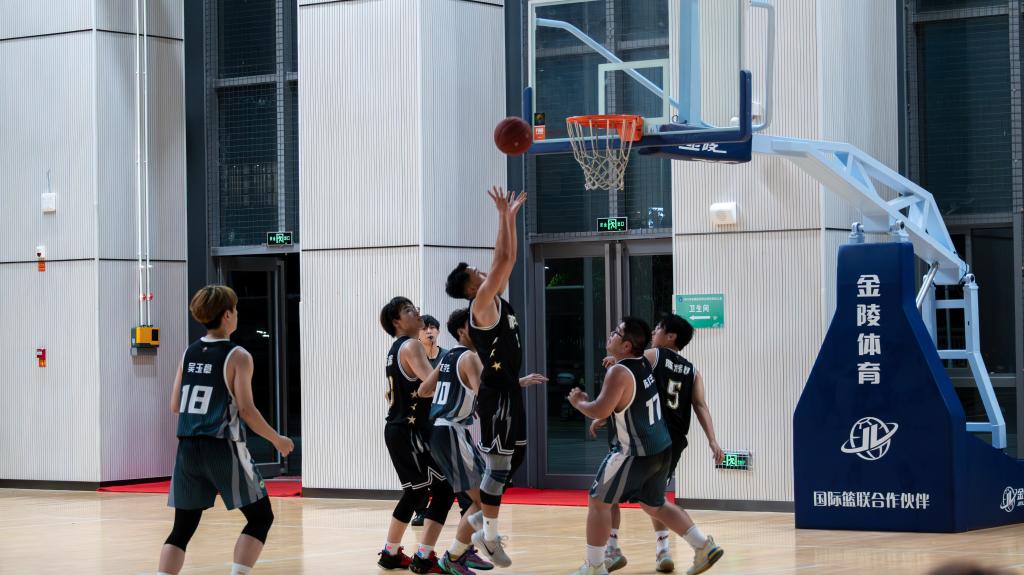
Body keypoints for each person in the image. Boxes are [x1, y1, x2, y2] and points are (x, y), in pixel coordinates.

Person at [567, 317, 723, 575]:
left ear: (628, 345)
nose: (611, 334)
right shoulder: (683, 368)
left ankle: (598, 562)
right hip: (665, 446)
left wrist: (579, 402)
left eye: (616, 332)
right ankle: (700, 545)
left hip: (635, 448)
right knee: (654, 504)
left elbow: (603, 405)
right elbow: (698, 404)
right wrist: (713, 440)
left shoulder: (649, 358)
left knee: (599, 500)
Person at [158, 285, 294, 575]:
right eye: (236, 309)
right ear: (228, 314)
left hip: (187, 448)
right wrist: (278, 440)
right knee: (261, 517)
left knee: (182, 528)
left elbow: (175, 405)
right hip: (222, 445)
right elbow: (247, 411)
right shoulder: (238, 355)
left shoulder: (189, 352)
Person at [444, 186, 538, 567]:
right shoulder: (481, 304)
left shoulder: (495, 297)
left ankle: (464, 541)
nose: (484, 271)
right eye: (476, 273)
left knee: (511, 465)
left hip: (509, 392)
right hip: (496, 396)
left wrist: (511, 219)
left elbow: (508, 257)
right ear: (471, 287)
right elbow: (501, 258)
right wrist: (502, 216)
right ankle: (490, 536)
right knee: (498, 468)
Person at [378, 297, 457, 573]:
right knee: (442, 490)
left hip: (402, 430)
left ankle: (391, 553)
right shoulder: (411, 345)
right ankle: (423, 557)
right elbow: (430, 385)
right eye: (408, 310)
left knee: (415, 492)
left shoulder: (396, 349)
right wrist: (455, 362)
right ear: (397, 321)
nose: (417, 312)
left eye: (415, 307)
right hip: (409, 432)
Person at [417, 308, 495, 575]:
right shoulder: (470, 357)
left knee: (477, 499)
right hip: (452, 430)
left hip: (441, 431)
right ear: (463, 331)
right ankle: (454, 556)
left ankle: (461, 552)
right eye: (476, 325)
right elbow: (485, 394)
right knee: (485, 500)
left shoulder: (448, 356)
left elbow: (423, 390)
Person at [413, 314, 452, 527]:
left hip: (441, 418)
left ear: (438, 331)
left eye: (433, 328)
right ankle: (420, 510)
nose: (429, 332)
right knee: (420, 467)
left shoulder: (447, 356)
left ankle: (442, 506)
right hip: (418, 419)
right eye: (425, 328)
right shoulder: (413, 355)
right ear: (418, 334)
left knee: (442, 464)